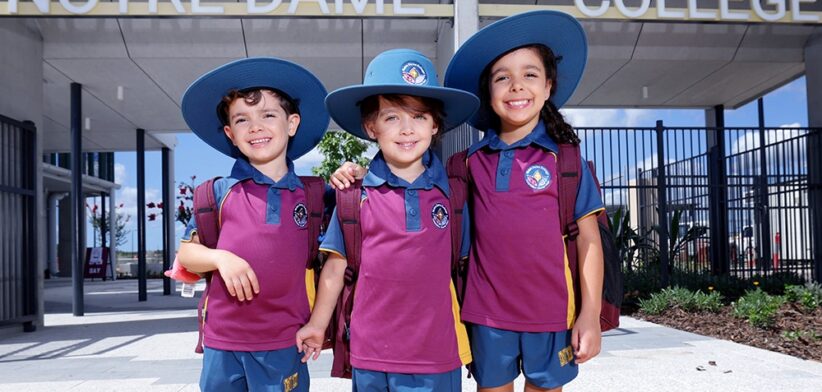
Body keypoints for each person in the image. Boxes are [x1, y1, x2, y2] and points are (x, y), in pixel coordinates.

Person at [330, 11, 605, 392]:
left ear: (548, 86)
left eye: (529, 74)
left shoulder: (568, 162)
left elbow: (589, 240)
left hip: (553, 314)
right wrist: (360, 172)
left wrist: (589, 313)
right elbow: (409, 176)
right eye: (502, 77)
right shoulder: (465, 164)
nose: (516, 86)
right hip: (484, 315)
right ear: (487, 93)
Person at [295, 48, 479, 391]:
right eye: (393, 117)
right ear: (371, 126)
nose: (407, 129)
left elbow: (468, 266)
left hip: (437, 356)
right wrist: (317, 325)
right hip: (371, 356)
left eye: (420, 117)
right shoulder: (353, 197)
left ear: (436, 124)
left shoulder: (453, 195)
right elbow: (335, 270)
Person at [176, 57, 329, 392]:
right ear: (231, 134)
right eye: (242, 119)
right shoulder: (216, 193)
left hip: (286, 343)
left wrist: (354, 174)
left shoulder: (316, 194)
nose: (255, 127)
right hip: (223, 343)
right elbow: (186, 254)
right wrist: (220, 258)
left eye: (268, 115)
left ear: (292, 124)